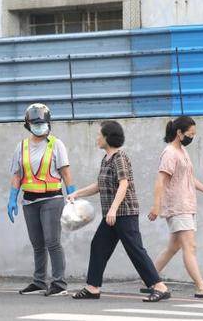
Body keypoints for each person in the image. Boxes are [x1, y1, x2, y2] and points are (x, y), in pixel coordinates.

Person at [69, 121, 170, 302]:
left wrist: (113, 210)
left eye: (100, 134)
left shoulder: (119, 157)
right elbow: (99, 185)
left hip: (124, 213)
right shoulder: (106, 159)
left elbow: (124, 184)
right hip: (112, 215)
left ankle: (159, 286)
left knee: (135, 249)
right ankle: (93, 287)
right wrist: (77, 193)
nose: (97, 137)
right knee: (98, 245)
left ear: (108, 137)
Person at [8, 103, 76, 296]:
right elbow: (16, 175)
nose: (39, 126)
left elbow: (65, 172)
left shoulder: (56, 144)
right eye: (35, 123)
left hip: (52, 199)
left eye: (42, 123)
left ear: (48, 123)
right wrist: (12, 198)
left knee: (52, 242)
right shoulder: (21, 146)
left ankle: (59, 283)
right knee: (37, 244)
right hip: (29, 201)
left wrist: (72, 195)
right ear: (28, 124)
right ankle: (39, 282)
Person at [147, 116, 203, 299]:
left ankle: (149, 278)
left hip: (187, 204)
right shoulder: (169, 153)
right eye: (190, 134)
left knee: (173, 247)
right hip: (177, 206)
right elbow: (160, 181)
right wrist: (156, 206)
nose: (192, 137)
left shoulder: (182, 151)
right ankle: (201, 287)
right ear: (179, 133)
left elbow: (188, 177)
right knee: (190, 246)